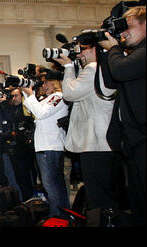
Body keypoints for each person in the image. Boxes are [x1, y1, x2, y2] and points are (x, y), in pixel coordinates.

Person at [54, 41, 127, 212]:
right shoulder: (107, 67)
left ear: (96, 49)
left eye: (83, 50)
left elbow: (70, 93)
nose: (79, 55)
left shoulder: (94, 68)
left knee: (99, 198)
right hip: (107, 142)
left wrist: (69, 67)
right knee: (111, 195)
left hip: (94, 143)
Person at [98, 6, 146, 226]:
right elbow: (110, 81)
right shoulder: (132, 55)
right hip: (134, 140)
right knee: (137, 201)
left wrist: (115, 49)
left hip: (143, 138)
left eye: (128, 25)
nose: (123, 31)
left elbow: (121, 71)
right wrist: (107, 52)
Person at [21, 72, 70, 217]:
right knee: (53, 185)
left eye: (47, 82)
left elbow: (41, 113)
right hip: (45, 146)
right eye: (43, 83)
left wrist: (29, 94)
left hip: (51, 146)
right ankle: (61, 215)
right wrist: (26, 92)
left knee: (52, 185)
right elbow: (32, 110)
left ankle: (57, 216)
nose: (44, 85)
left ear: (55, 82)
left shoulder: (59, 97)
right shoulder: (48, 98)